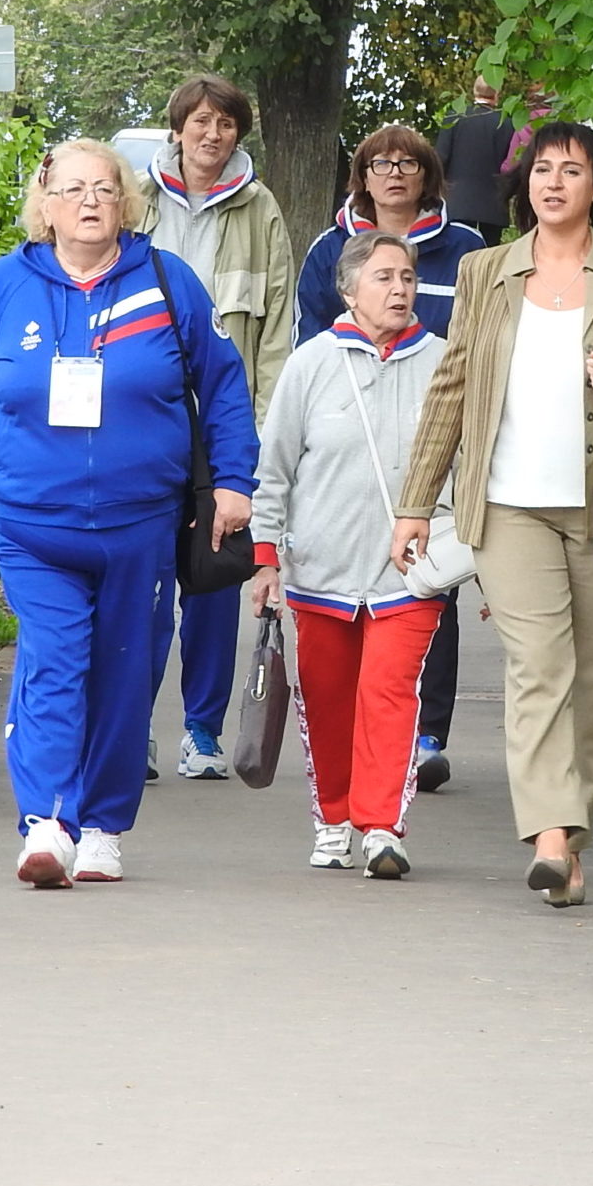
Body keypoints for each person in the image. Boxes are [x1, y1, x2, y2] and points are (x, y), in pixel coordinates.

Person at [0, 138, 259, 888]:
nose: (90, 201)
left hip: (142, 525)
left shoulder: (166, 282)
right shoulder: (4, 287)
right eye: (74, 189)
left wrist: (234, 480)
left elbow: (223, 384)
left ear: (125, 202)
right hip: (35, 525)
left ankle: (103, 827)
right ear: (45, 206)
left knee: (124, 674)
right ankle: (48, 822)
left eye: (104, 188)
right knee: (56, 661)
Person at [393, 122, 593, 909]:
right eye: (540, 170)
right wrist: (416, 503)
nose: (552, 182)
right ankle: (550, 838)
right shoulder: (485, 271)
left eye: (571, 171)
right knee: (538, 668)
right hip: (506, 503)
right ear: (523, 185)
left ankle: (572, 840)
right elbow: (451, 389)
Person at [249, 231, 452, 880]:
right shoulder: (310, 365)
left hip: (410, 572)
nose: (399, 289)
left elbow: (472, 466)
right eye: (384, 278)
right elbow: (274, 471)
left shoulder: (446, 364)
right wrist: (266, 558)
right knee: (331, 703)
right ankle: (333, 820)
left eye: (407, 277)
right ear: (348, 290)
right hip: (321, 571)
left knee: (390, 694)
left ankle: (382, 829)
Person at [294, 124, 489, 791]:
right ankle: (363, 734)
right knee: (350, 595)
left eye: (408, 163)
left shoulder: (465, 248)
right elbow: (310, 338)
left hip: (434, 429)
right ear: (364, 175)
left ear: (428, 175)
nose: (395, 173)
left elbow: (477, 343)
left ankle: (427, 732)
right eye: (381, 163)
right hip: (352, 435)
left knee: (433, 580)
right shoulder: (330, 249)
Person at [142, 74, 296, 782]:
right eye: (200, 121)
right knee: (138, 586)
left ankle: (200, 732)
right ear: (177, 129)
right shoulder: (135, 200)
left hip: (222, 425)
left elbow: (275, 329)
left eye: (227, 123)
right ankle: (130, 727)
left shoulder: (260, 209)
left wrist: (257, 437)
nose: (213, 134)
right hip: (141, 419)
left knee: (210, 578)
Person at [433, 78, 514, 245]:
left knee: (459, 256)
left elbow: (440, 158)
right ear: (496, 94)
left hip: (458, 201)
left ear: (474, 92)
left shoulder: (455, 117)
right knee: (489, 261)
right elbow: (511, 162)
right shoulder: (507, 123)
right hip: (494, 203)